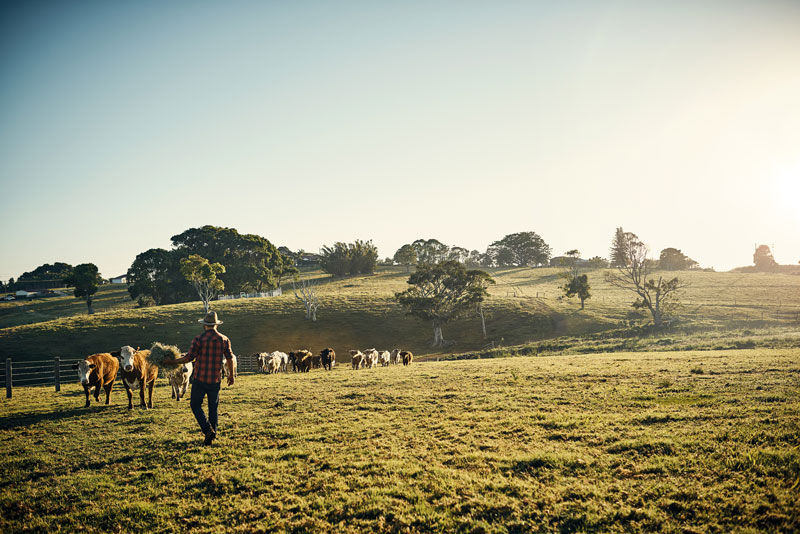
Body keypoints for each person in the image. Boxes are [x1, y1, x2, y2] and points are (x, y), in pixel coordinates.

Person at [166, 310, 235, 446]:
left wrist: (172, 362)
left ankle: (207, 430)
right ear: (216, 325)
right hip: (215, 379)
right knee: (213, 407)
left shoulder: (198, 339)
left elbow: (188, 358)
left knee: (195, 405)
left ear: (204, 325)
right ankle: (212, 433)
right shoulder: (224, 339)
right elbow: (229, 358)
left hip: (200, 379)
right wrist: (231, 375)